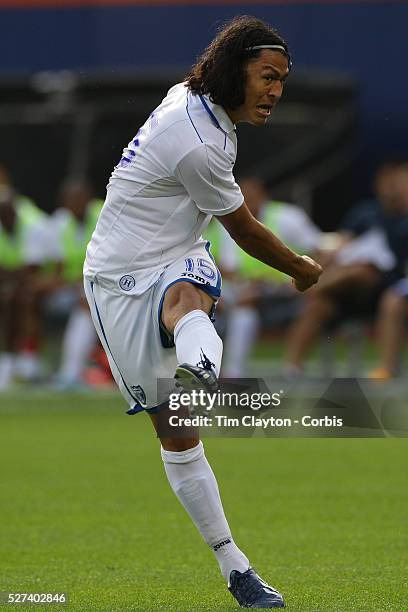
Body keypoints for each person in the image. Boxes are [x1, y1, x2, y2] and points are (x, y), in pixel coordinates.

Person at [84, 16, 322, 609]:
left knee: (188, 295)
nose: (275, 91)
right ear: (232, 69)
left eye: (282, 81)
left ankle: (198, 372)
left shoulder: (195, 101)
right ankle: (233, 563)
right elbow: (244, 231)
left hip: (175, 251)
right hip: (115, 278)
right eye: (267, 77)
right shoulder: (200, 140)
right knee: (178, 437)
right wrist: (301, 268)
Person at [283, 160, 408, 377]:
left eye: (396, 181)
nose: (391, 187)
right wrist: (322, 261)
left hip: (391, 284)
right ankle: (291, 367)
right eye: (385, 181)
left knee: (370, 277)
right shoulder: (365, 213)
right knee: (318, 305)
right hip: (352, 288)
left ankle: (387, 368)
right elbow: (340, 244)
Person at [215, 176, 323, 377]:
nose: (247, 202)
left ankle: (291, 367)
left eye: (252, 197)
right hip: (248, 293)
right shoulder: (231, 223)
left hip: (290, 288)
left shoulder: (288, 217)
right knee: (223, 305)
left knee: (244, 304)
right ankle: (228, 375)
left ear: (264, 196)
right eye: (241, 197)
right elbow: (230, 270)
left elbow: (318, 251)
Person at [22, 177, 102, 389]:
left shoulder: (103, 214)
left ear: (89, 199)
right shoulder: (59, 224)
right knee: (29, 296)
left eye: (80, 199)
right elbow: (58, 270)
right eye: (71, 200)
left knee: (86, 305)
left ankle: (71, 372)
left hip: (103, 285)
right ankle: (29, 363)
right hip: (72, 288)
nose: (76, 204)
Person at [0, 170, 46, 388]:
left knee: (26, 298)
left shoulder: (31, 222)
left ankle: (29, 359)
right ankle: (9, 362)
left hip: (42, 281)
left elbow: (32, 268)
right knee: (10, 299)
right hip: (11, 283)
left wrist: (10, 278)